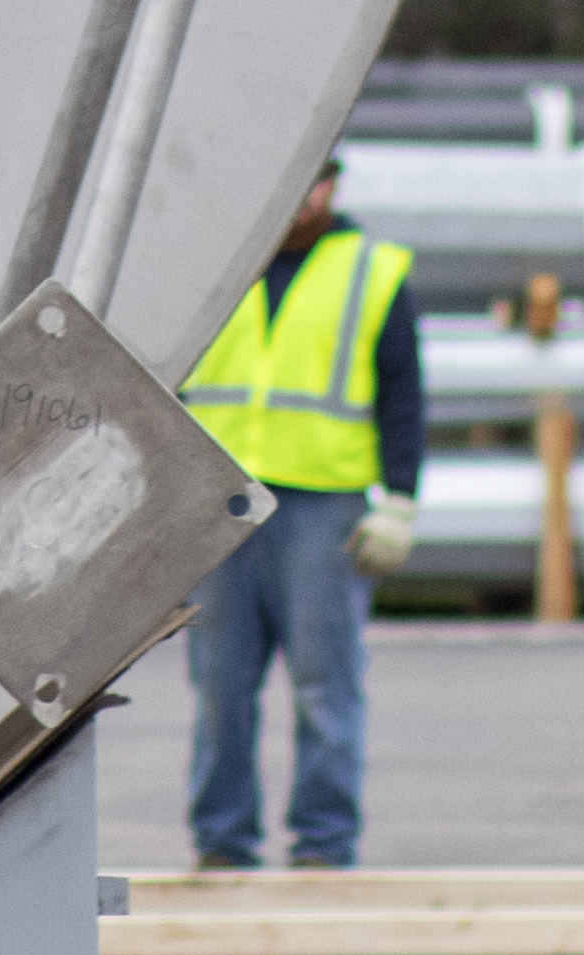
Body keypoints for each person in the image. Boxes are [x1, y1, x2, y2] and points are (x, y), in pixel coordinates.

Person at [176, 149, 422, 872]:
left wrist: (399, 503)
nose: (301, 198)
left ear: (331, 185)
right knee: (221, 689)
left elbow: (403, 398)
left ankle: (324, 846)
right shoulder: (214, 270)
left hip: (324, 506)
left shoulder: (374, 272)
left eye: (313, 181)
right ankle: (222, 845)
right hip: (218, 506)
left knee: (325, 688)